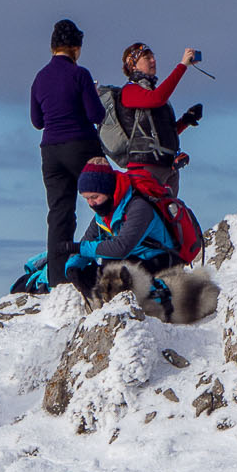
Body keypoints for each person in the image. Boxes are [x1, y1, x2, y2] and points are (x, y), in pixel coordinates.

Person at [30, 19, 105, 288]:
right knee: (106, 201)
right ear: (76, 47)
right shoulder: (80, 74)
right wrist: (93, 95)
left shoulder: (40, 78)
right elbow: (97, 114)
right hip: (80, 144)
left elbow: (37, 121)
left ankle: (58, 280)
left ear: (53, 47)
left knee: (59, 214)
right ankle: (110, 263)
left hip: (50, 150)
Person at [66, 157, 186, 282]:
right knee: (98, 269)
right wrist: (73, 266)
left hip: (162, 262)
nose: (91, 203)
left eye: (94, 197)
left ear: (107, 190)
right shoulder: (104, 214)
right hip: (135, 261)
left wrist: (77, 247)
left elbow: (121, 248)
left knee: (110, 265)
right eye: (86, 199)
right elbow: (88, 240)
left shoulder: (139, 207)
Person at [118, 43, 204, 192]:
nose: (153, 61)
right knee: (149, 212)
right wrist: (182, 65)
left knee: (169, 214)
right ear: (133, 66)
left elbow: (159, 134)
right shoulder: (129, 91)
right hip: (145, 168)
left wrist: (185, 121)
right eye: (147, 58)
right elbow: (157, 99)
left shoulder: (151, 92)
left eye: (153, 57)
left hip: (167, 166)